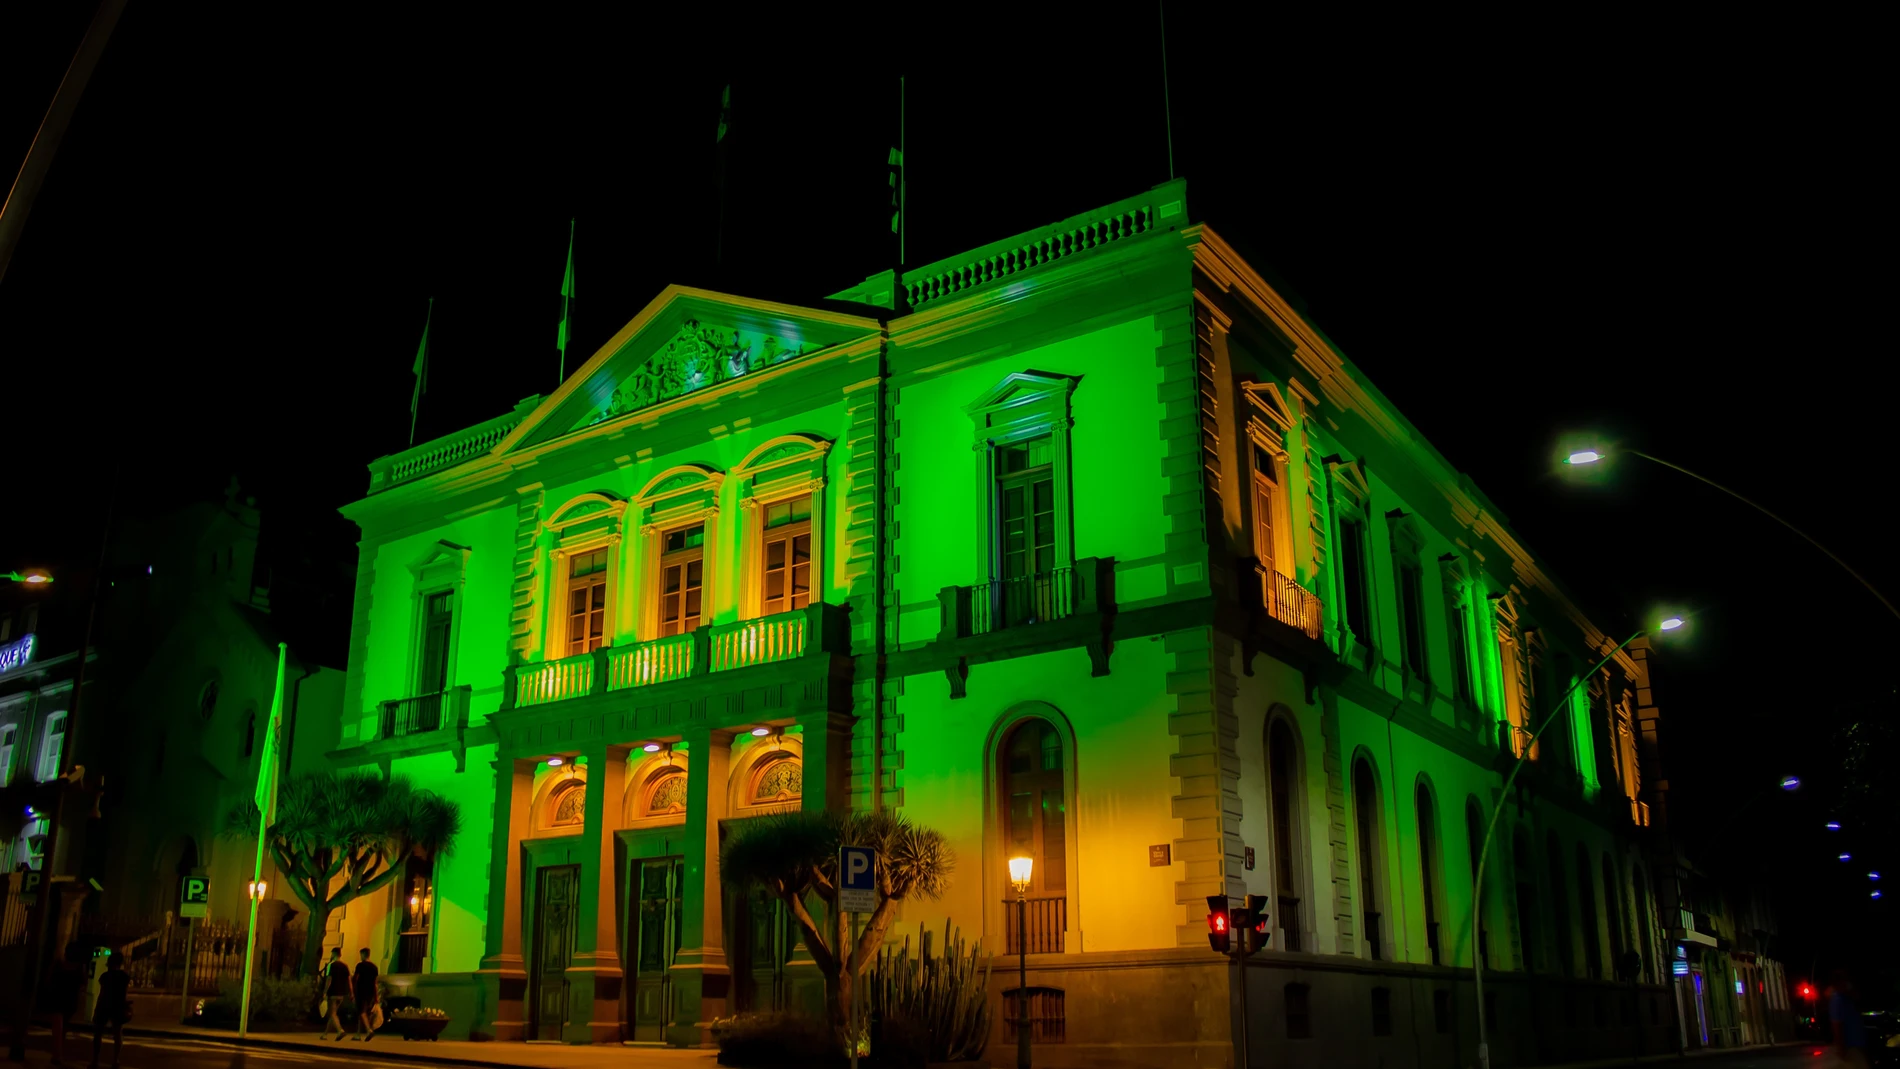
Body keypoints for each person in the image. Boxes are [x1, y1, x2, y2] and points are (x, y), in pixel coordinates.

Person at [89, 952, 130, 1069]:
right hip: (117, 1006)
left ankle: (95, 1061)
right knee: (117, 1034)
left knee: (98, 1034)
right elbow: (124, 994)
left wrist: (96, 1009)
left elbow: (102, 994)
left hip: (104, 1005)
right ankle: (115, 1060)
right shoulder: (124, 977)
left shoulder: (105, 976)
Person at [1828, 969, 1869, 1069]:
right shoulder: (1837, 1000)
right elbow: (1836, 1024)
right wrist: (1841, 1047)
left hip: (1857, 1045)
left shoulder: (1846, 998)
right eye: (1844, 980)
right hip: (1851, 1047)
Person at [320, 947, 352, 1040]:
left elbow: (329, 979)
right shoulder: (345, 966)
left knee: (333, 1014)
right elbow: (349, 980)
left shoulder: (331, 965)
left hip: (333, 992)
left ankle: (340, 1031)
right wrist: (351, 992)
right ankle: (325, 1034)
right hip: (342, 993)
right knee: (333, 1015)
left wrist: (325, 991)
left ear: (333, 954)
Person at [351, 948, 381, 1041]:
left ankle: (369, 1030)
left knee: (362, 1012)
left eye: (361, 955)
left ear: (363, 954)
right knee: (362, 1012)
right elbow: (375, 983)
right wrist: (376, 997)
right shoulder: (374, 967)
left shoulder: (360, 965)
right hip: (370, 992)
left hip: (361, 991)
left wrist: (352, 991)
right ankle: (358, 1034)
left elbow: (355, 978)